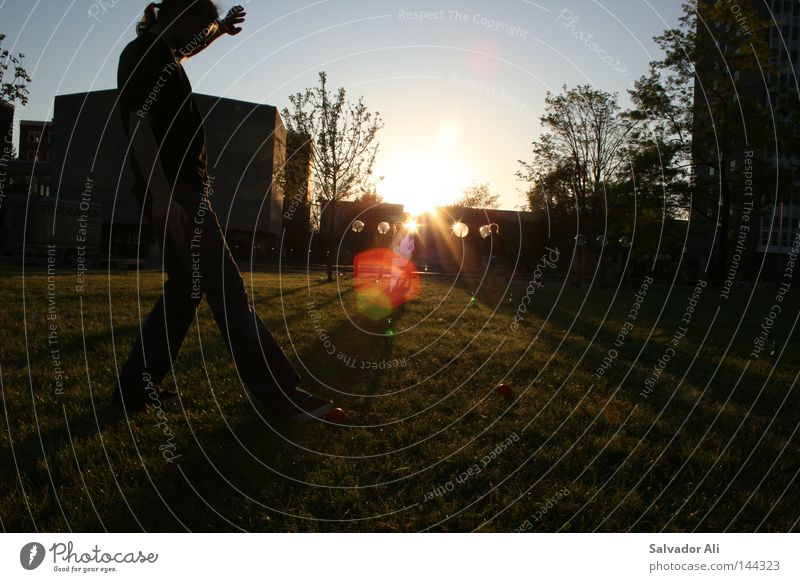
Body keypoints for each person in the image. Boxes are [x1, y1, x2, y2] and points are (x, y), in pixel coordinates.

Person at [114, 0, 343, 421]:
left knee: (185, 291)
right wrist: (164, 196)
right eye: (196, 22)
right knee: (227, 290)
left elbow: (187, 47)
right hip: (177, 191)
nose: (197, 34)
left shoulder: (163, 52)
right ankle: (281, 397)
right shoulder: (143, 54)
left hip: (182, 190)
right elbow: (138, 123)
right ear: (174, 12)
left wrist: (219, 29)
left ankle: (134, 390)